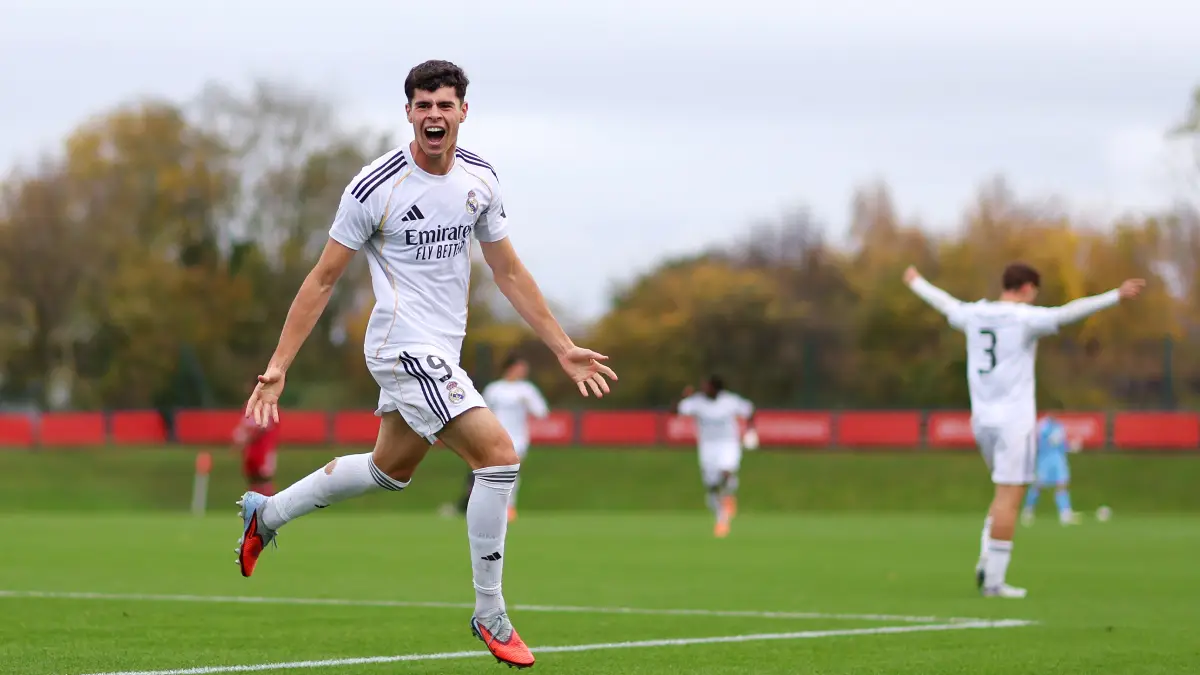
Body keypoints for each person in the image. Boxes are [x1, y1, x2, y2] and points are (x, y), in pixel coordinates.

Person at [234, 60, 617, 669]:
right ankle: (489, 612)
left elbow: (508, 271)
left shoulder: (481, 180)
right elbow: (323, 278)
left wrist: (562, 345)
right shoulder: (374, 187)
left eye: (445, 105)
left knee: (390, 471)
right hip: (400, 344)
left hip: (442, 348)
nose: (433, 115)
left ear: (464, 111)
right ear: (408, 112)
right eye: (423, 105)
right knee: (498, 458)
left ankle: (268, 512)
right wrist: (280, 363)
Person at [905, 263, 1143, 598]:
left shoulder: (973, 314)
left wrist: (917, 283)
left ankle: (988, 558)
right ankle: (994, 581)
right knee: (1009, 497)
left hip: (982, 420)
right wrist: (1114, 296)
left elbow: (943, 302)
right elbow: (1068, 313)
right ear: (1028, 287)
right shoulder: (1024, 318)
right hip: (1013, 422)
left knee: (1001, 493)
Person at [675, 375, 756, 538]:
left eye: (707, 386)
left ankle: (729, 494)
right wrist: (683, 396)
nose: (704, 389)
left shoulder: (730, 401)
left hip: (728, 444)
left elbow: (749, 410)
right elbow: (675, 410)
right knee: (712, 487)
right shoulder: (697, 402)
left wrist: (750, 431)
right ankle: (721, 519)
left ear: (716, 388)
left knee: (726, 472)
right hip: (707, 447)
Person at [480, 355, 549, 522]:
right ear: (510, 368)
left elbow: (542, 412)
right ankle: (492, 507)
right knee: (494, 473)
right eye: (520, 367)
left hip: (518, 438)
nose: (523, 371)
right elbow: (483, 411)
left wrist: (527, 402)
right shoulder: (494, 389)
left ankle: (509, 507)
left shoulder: (527, 389)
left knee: (512, 473)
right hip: (495, 436)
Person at [1021, 414, 1082, 526]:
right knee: (1037, 485)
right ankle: (1028, 511)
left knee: (1062, 484)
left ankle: (1065, 514)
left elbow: (1062, 444)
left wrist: (1071, 447)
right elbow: (1038, 441)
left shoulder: (1059, 426)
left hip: (1058, 459)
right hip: (1045, 459)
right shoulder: (1042, 425)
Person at [231, 414, 279, 496]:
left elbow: (261, 430)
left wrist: (246, 437)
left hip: (263, 453)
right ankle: (255, 502)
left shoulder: (268, 409)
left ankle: (268, 501)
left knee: (264, 480)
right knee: (253, 480)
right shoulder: (249, 408)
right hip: (251, 454)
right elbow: (242, 428)